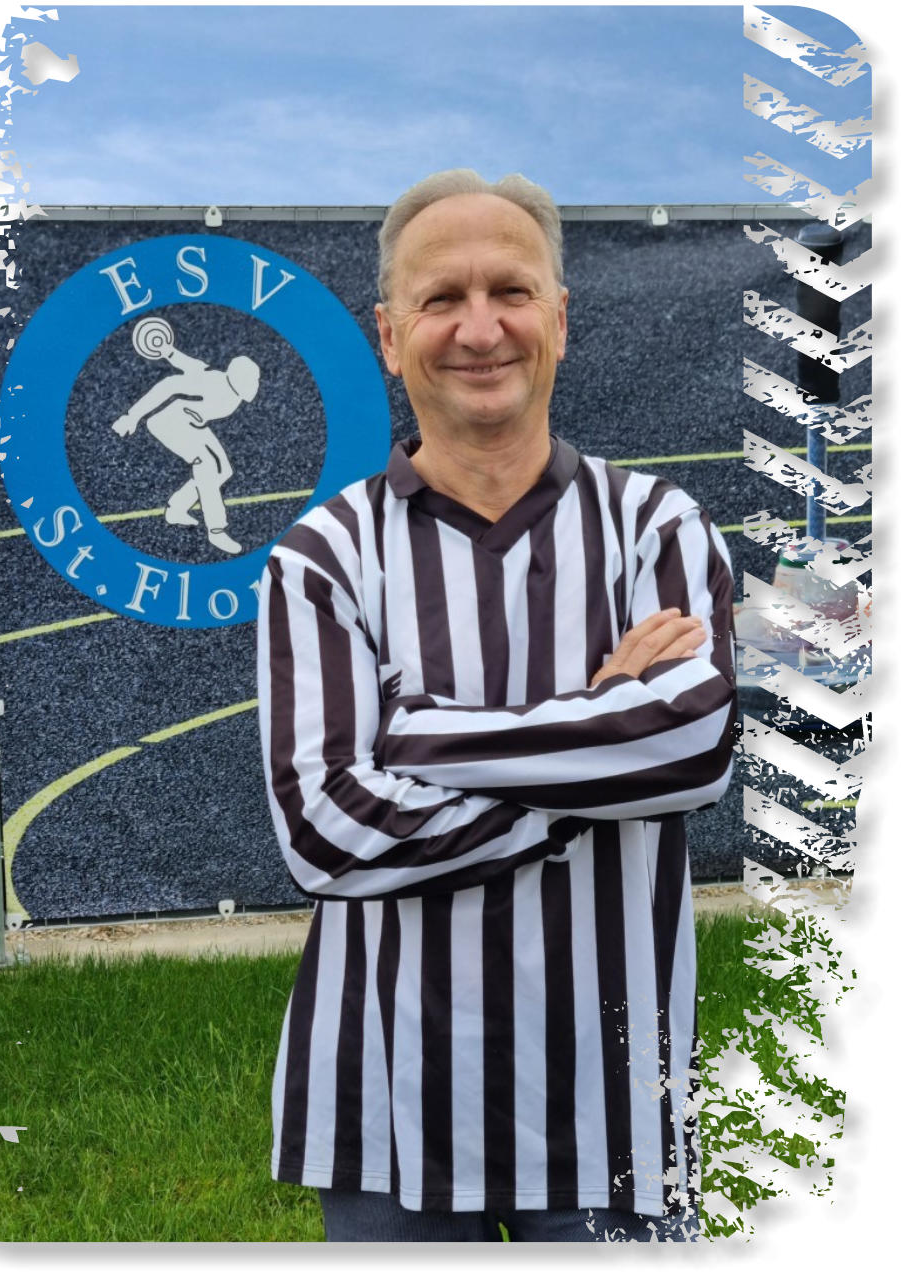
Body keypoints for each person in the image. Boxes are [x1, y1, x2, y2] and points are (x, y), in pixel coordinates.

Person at [256, 168, 736, 1242]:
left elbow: (694, 748)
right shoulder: (324, 555)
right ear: (390, 337)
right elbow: (328, 833)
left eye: (511, 291)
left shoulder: (658, 526)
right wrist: (599, 739)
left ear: (559, 318)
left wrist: (419, 734)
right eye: (442, 299)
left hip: (617, 1110)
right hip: (387, 1106)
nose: (481, 330)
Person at [111, 325, 260, 555]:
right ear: (237, 377)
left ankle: (176, 508)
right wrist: (132, 416)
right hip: (170, 423)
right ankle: (217, 531)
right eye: (251, 379)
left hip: (194, 424)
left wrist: (167, 350)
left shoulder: (231, 393)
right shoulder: (214, 384)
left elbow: (190, 364)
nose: (254, 384)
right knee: (207, 465)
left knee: (223, 471)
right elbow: (169, 385)